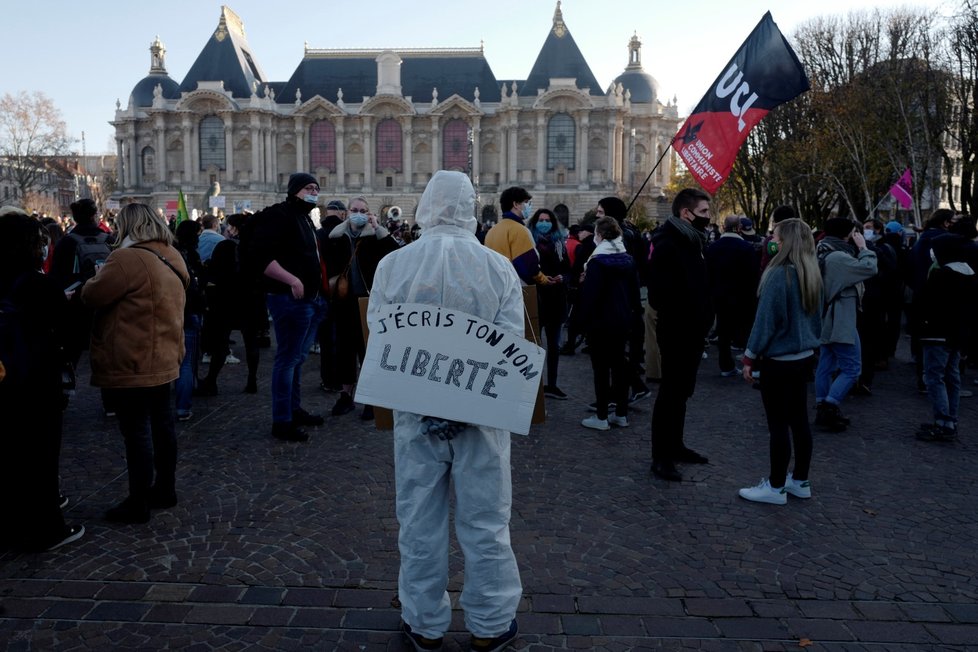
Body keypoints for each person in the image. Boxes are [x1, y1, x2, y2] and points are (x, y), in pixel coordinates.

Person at [369, 170, 522, 652]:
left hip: (415, 414)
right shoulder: (498, 267)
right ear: (471, 207)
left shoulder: (393, 265)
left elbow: (382, 339)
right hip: (483, 415)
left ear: (426, 205)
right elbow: (512, 346)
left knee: (419, 519)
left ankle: (423, 623)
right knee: (487, 522)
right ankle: (491, 625)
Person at [80, 203, 188, 524]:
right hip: (165, 355)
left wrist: (97, 277)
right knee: (162, 426)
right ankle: (165, 488)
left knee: (136, 431)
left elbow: (92, 296)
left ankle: (137, 500)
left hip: (133, 357)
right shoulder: (171, 254)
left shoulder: (127, 258)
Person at [0, 208, 85, 551]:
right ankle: (46, 528)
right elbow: (70, 332)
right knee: (39, 453)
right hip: (35, 381)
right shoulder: (38, 283)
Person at [738, 218, 823, 504]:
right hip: (803, 357)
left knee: (778, 424)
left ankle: (775, 486)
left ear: (784, 242)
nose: (771, 240)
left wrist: (750, 355)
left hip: (779, 359)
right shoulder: (811, 272)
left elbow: (765, 322)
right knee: (799, 420)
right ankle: (800, 479)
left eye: (775, 236)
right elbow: (818, 320)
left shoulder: (778, 275)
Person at [248, 173, 328, 442]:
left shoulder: (304, 217)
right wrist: (292, 279)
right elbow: (259, 256)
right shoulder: (280, 215)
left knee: (295, 360)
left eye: (316, 188)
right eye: (308, 188)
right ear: (295, 191)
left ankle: (294, 410)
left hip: (309, 300)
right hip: (289, 299)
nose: (314, 192)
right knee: (286, 360)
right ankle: (282, 421)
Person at [646, 188, 715, 482]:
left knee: (683, 392)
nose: (708, 218)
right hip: (676, 330)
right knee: (670, 394)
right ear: (686, 213)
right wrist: (687, 313)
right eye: (703, 213)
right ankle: (661, 457)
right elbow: (660, 293)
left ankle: (676, 445)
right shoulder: (668, 243)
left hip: (693, 330)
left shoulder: (694, 241)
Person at [322, 196, 399, 419]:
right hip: (344, 301)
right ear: (347, 212)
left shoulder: (375, 236)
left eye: (363, 210)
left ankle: (370, 400)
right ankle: (346, 396)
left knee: (368, 351)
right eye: (354, 209)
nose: (358, 213)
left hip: (370, 301)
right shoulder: (336, 235)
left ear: (369, 213)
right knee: (344, 350)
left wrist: (379, 229)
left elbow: (395, 255)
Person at [914, 217, 978, 442]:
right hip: (957, 335)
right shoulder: (969, 274)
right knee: (952, 377)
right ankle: (950, 419)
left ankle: (943, 421)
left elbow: (926, 304)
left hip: (937, 333)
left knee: (934, 377)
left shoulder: (942, 275)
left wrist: (921, 326)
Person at [575, 216, 642, 430]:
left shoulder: (597, 262)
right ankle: (620, 414)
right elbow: (634, 293)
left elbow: (591, 296)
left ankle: (602, 416)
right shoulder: (628, 260)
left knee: (601, 369)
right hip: (623, 320)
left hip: (601, 322)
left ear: (600, 235)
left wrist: (581, 322)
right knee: (620, 367)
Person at [813, 218, 878, 432]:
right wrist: (863, 248)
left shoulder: (822, 250)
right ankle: (829, 406)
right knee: (852, 367)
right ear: (846, 234)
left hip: (828, 316)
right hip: (840, 317)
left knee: (826, 364)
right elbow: (869, 268)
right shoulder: (838, 256)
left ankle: (823, 403)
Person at [197, 213, 265, 395]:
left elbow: (215, 273)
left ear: (234, 228)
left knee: (221, 343)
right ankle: (252, 381)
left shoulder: (225, 246)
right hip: (251, 301)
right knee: (251, 342)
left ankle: (211, 380)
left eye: (228, 226)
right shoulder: (256, 247)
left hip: (226, 301)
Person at [594, 197, 650, 404]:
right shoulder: (632, 231)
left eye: (600, 212)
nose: (597, 216)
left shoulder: (620, 237)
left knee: (613, 354)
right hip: (629, 299)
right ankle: (621, 396)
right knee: (618, 353)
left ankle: (617, 397)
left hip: (617, 300)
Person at [705, 215, 760, 377]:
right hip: (743, 296)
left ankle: (726, 365)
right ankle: (751, 364)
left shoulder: (713, 248)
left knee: (723, 330)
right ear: (739, 228)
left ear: (723, 226)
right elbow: (753, 275)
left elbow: (708, 274)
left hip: (720, 296)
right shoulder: (746, 248)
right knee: (747, 330)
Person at [527, 208, 570, 399]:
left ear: (553, 222)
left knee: (553, 345)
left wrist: (563, 277)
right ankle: (532, 386)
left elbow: (569, 270)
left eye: (547, 220)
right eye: (540, 220)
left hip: (556, 299)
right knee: (533, 345)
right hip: (537, 297)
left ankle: (551, 384)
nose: (544, 223)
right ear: (535, 223)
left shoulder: (560, 243)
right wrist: (542, 279)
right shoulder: (529, 243)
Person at [484, 186, 555, 287]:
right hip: (516, 289)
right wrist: (543, 280)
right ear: (516, 204)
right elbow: (529, 266)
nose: (529, 206)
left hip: (495, 287)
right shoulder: (519, 230)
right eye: (526, 202)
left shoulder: (491, 231)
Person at [173, 220, 207, 422]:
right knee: (186, 361)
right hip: (190, 310)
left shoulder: (172, 253)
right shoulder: (191, 255)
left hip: (174, 310)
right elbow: (199, 282)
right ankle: (183, 406)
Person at [316, 199, 347, 393]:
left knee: (326, 340)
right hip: (344, 291)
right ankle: (345, 380)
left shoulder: (317, 234)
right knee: (344, 340)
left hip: (323, 291)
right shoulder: (346, 235)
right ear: (343, 214)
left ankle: (328, 380)